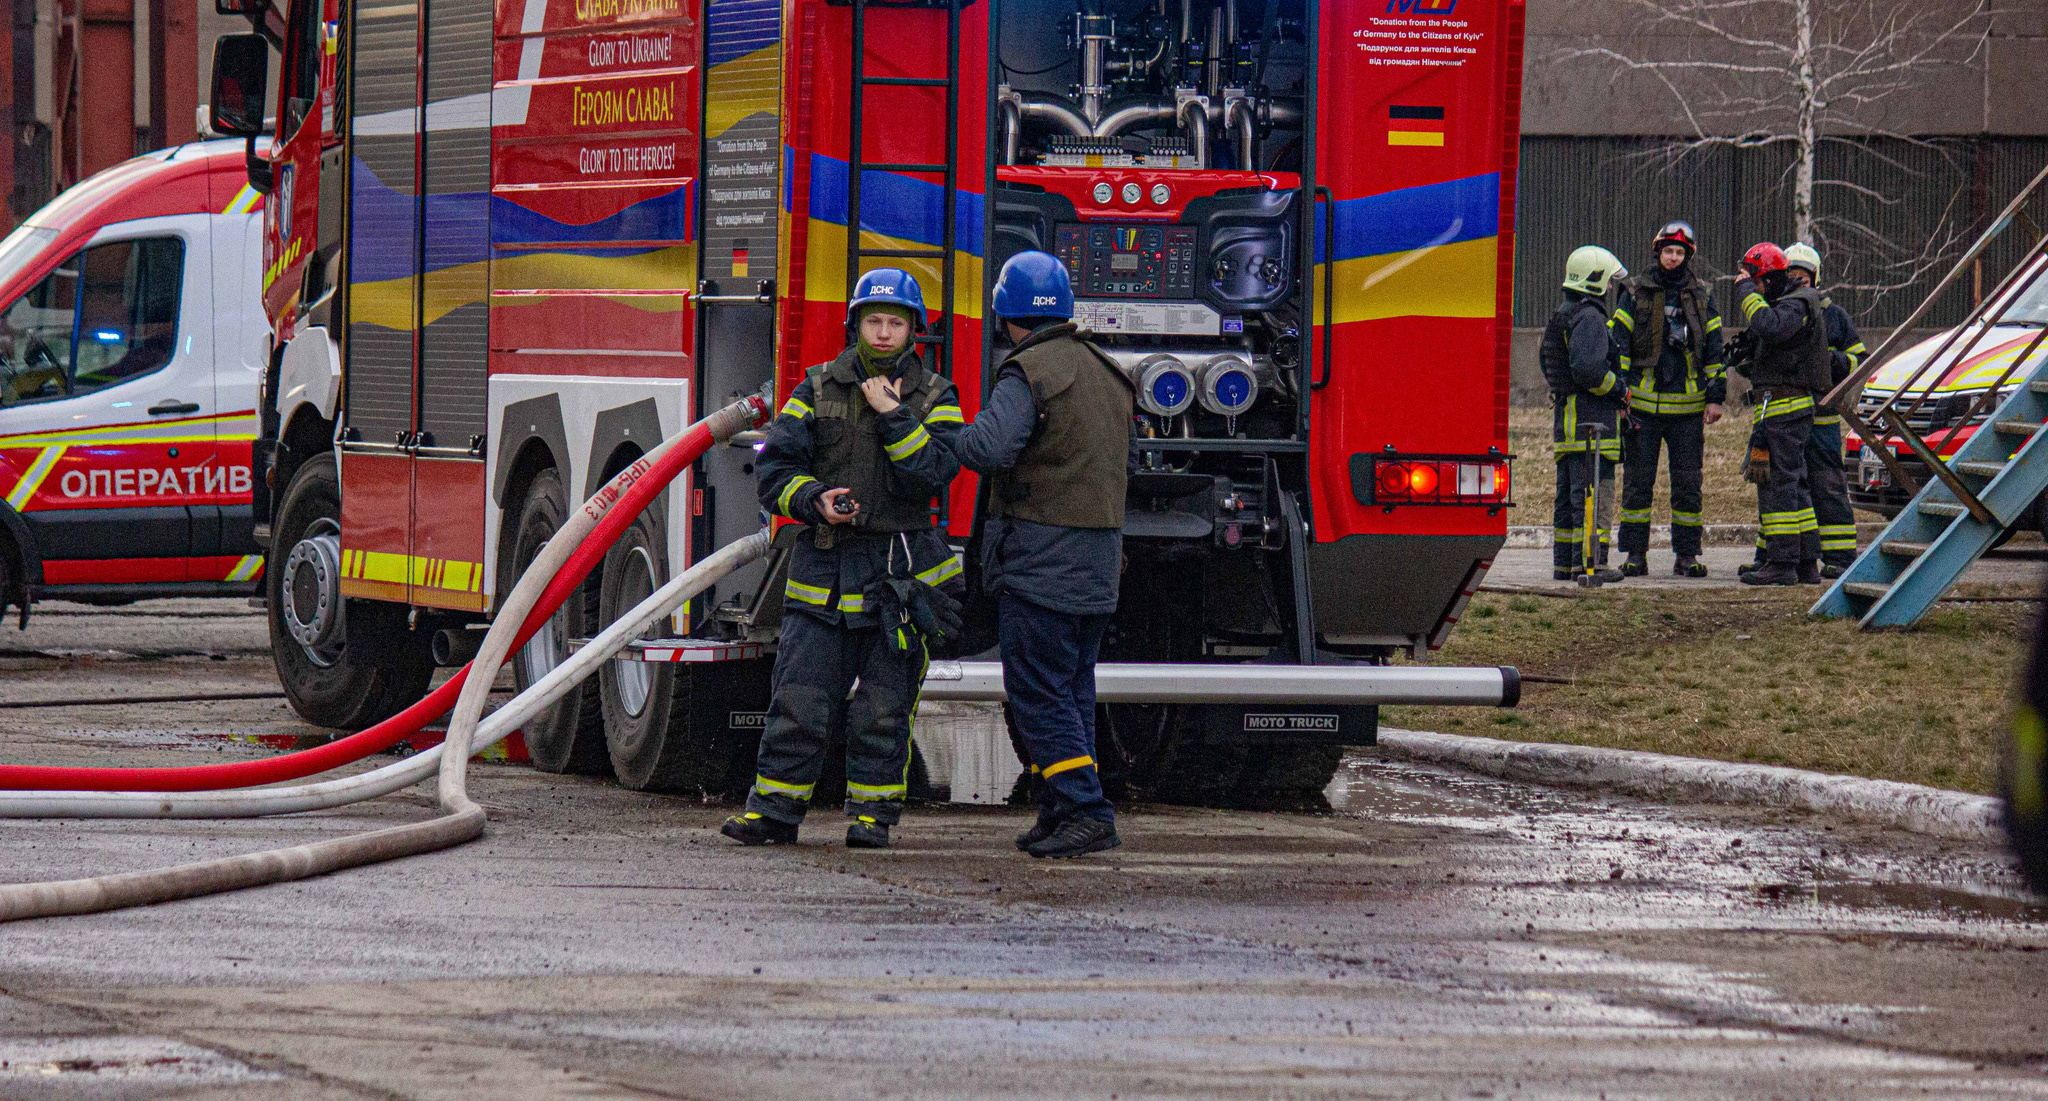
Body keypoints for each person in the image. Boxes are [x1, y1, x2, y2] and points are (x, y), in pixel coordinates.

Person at [724, 268, 966, 849]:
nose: (883, 333)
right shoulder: (815, 388)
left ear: (914, 330)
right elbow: (773, 472)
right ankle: (774, 813)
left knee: (882, 711)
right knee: (799, 699)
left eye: (895, 323)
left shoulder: (936, 395)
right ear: (855, 323)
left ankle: (873, 818)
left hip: (898, 580)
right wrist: (814, 499)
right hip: (824, 574)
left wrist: (892, 415)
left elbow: (934, 473)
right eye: (873, 321)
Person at [951, 251, 1135, 860]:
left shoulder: (1028, 371)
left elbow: (987, 449)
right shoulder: (1107, 372)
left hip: (1042, 563)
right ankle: (1059, 808)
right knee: (1072, 688)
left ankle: (1086, 809)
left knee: (1037, 693)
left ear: (1006, 313)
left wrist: (921, 424)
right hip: (1098, 562)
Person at [1740, 242, 1865, 579]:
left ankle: (1838, 556)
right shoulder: (1781, 309)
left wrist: (1826, 361)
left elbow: (1858, 360)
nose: (1797, 280)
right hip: (1795, 410)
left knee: (1821, 485)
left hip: (1820, 415)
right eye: (1791, 275)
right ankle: (1776, 555)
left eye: (1803, 276)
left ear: (1815, 278)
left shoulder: (1831, 315)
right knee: (1789, 485)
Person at [1610, 220, 1726, 578]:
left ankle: (1687, 556)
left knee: (1688, 484)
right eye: (1668, 251)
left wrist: (1715, 397)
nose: (1673, 258)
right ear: (1657, 252)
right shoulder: (1635, 292)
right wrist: (1622, 391)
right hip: (1642, 406)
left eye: (1679, 252)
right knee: (1637, 483)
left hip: (1688, 410)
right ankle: (1634, 555)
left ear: (1687, 256)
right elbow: (1619, 345)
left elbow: (1714, 350)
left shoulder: (1703, 296)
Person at [1733, 242, 1832, 586]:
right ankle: (1805, 563)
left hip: (1786, 409)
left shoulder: (1798, 302)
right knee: (1796, 484)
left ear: (1772, 279)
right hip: (1781, 407)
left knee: (1779, 485)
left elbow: (1770, 325)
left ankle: (1782, 562)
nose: (1756, 290)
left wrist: (1745, 291)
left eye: (1758, 283)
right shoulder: (1790, 303)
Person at [1543, 245, 1631, 583]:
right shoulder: (1591, 318)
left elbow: (1552, 365)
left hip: (1568, 426)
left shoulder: (1563, 315)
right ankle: (1592, 565)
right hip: (1592, 426)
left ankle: (1565, 565)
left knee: (1568, 500)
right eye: (1609, 281)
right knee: (1594, 496)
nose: (1611, 288)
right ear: (1596, 281)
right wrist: (1620, 390)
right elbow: (1589, 370)